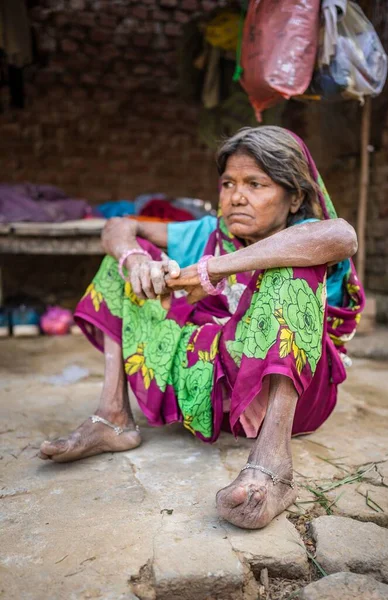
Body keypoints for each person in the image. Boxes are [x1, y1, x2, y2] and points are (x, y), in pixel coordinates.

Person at [39, 126, 364, 530]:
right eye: (228, 183)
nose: (236, 196)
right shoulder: (208, 233)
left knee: (289, 270)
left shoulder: (311, 237)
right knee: (122, 266)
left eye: (255, 184)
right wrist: (135, 259)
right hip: (218, 387)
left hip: (294, 397)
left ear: (295, 196)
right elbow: (119, 225)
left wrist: (211, 269)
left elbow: (342, 235)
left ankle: (272, 466)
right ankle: (113, 417)